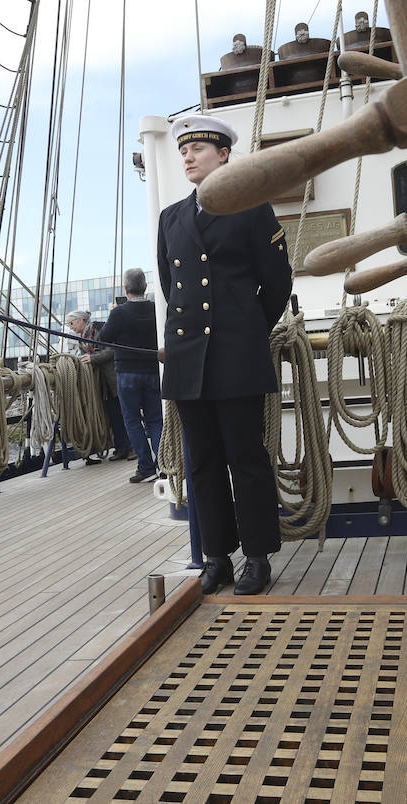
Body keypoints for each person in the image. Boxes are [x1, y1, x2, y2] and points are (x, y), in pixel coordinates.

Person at [157, 115, 293, 595]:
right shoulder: (171, 218)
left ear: (224, 155)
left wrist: (248, 329)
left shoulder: (252, 208)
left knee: (245, 457)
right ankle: (217, 557)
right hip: (188, 359)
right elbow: (171, 287)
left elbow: (277, 282)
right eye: (184, 151)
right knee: (203, 462)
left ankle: (257, 557)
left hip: (236, 356)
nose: (188, 157)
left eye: (198, 149)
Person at [96, 268, 162, 483]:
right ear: (145, 287)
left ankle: (146, 467)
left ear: (126, 290)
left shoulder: (119, 313)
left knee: (132, 420)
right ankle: (164, 464)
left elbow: (103, 339)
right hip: (154, 371)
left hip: (127, 373)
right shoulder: (156, 309)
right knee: (155, 419)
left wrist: (114, 313)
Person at [69, 309, 132, 464]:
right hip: (103, 384)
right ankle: (121, 448)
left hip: (114, 378)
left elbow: (112, 351)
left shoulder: (100, 329)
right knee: (113, 415)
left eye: (71, 323)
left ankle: (131, 448)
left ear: (81, 320)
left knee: (125, 415)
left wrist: (92, 358)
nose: (70, 327)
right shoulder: (82, 339)